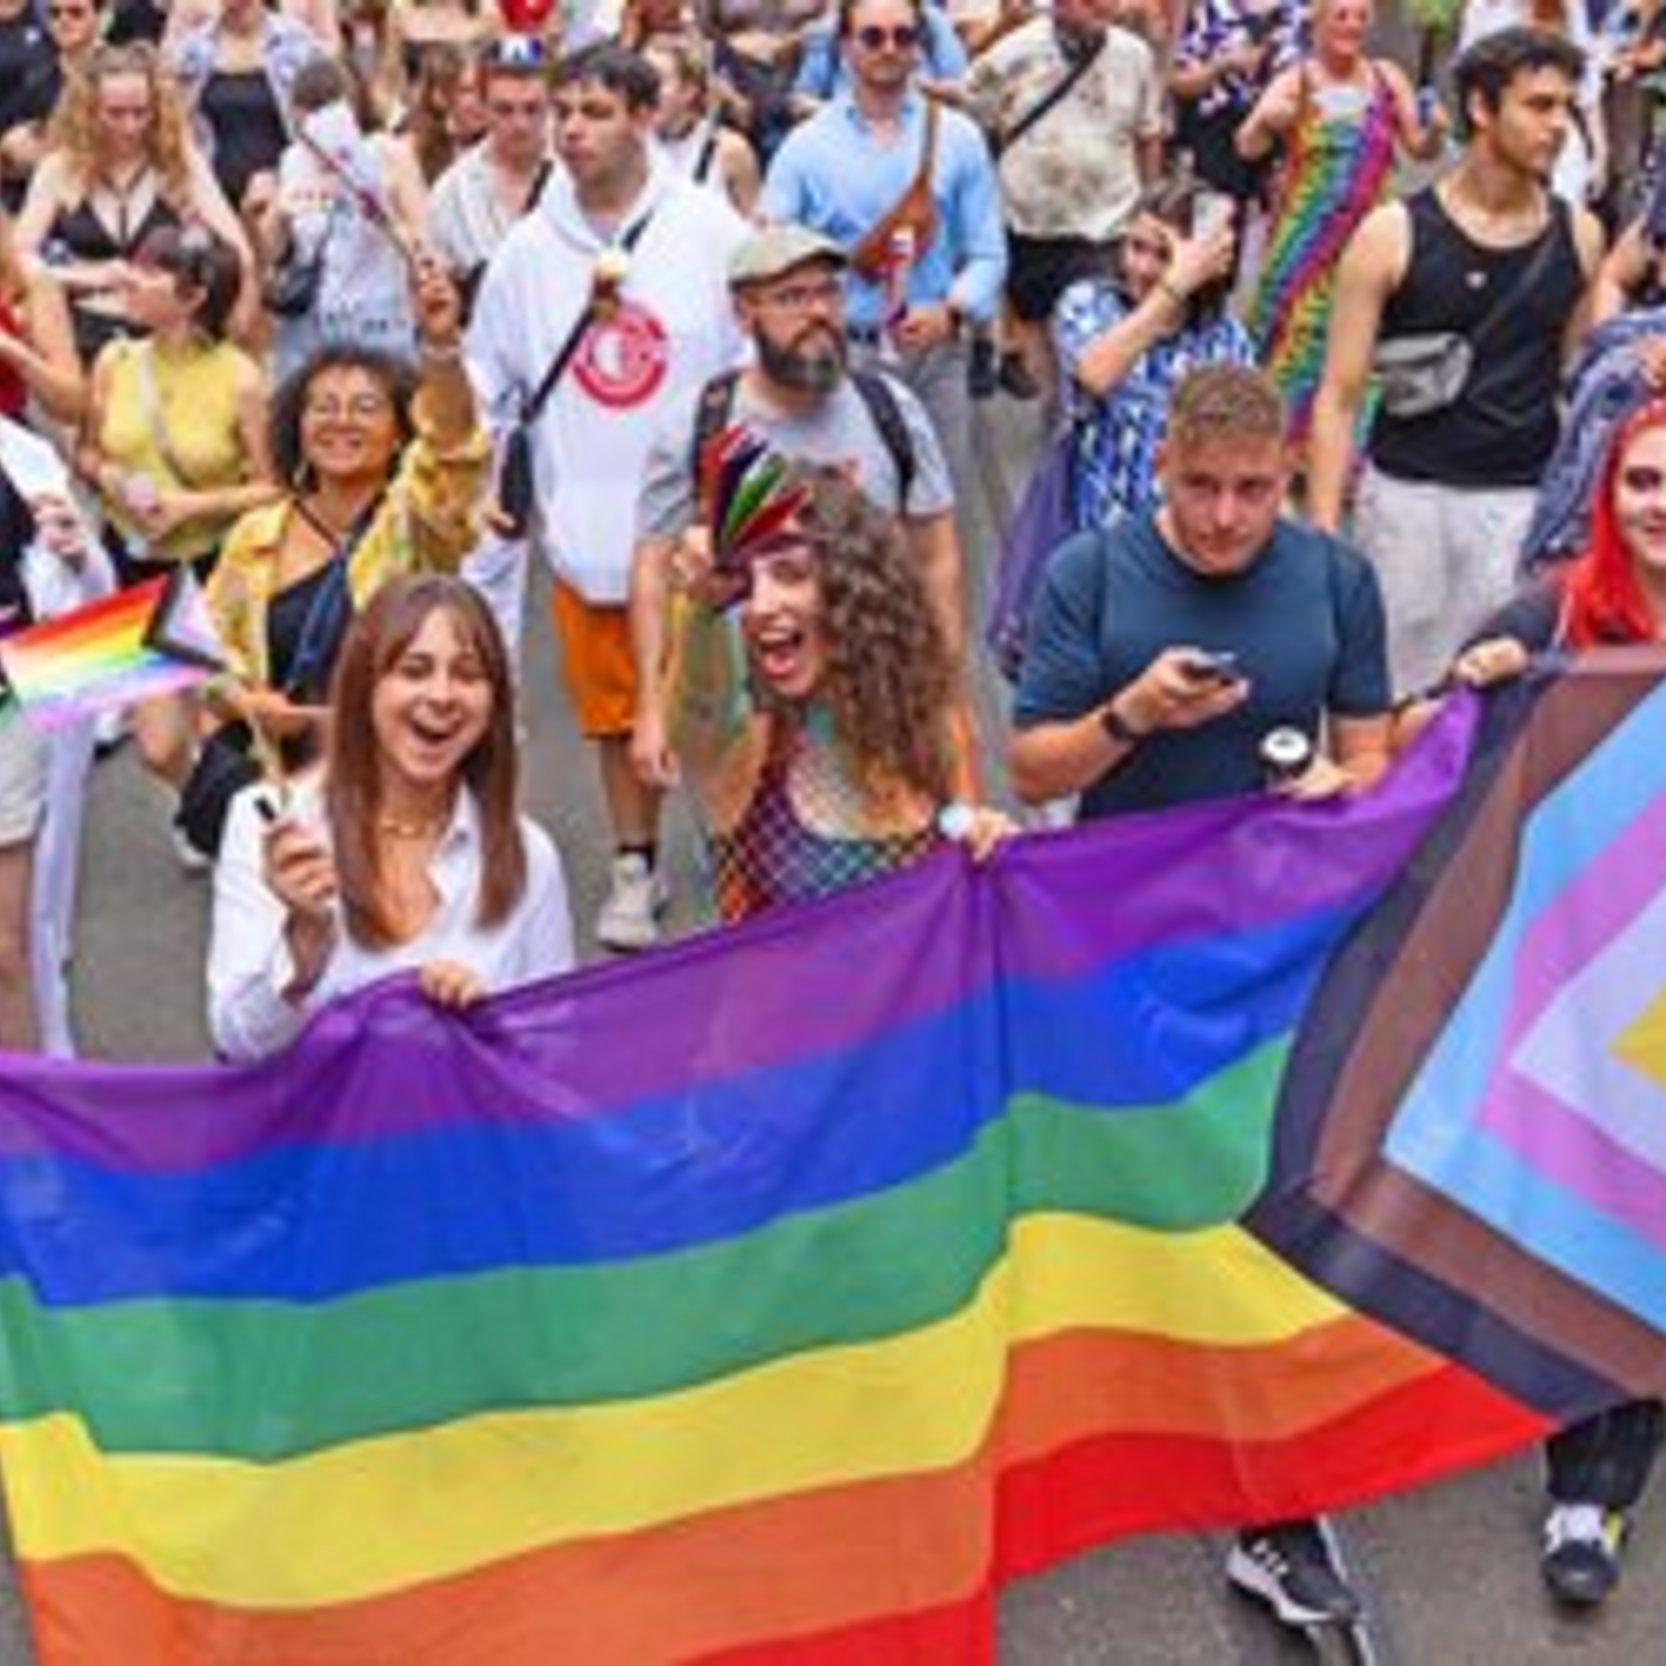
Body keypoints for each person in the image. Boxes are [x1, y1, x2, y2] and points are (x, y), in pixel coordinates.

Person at [1008, 364, 1392, 1627]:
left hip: (1285, 946)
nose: (1226, 519)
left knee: (1270, 1191)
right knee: (1170, 1203)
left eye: (1251, 493)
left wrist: (1344, 788)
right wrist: (1131, 711)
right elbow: (1032, 764)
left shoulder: (1332, 577)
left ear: (1285, 476)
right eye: (1201, 491)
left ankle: (1267, 1495)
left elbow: (1371, 751)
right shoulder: (1092, 575)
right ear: (1161, 471)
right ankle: (1167, 1428)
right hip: (1130, 949)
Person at [1403, 399, 1666, 1612]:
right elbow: (1424, 744)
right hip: (1580, 993)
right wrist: (1479, 683)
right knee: (1599, 1221)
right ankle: (1590, 1483)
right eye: (1641, 480)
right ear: (1605, 492)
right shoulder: (1552, 615)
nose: (1658, 503)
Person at [467, 42, 748, 952]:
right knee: (614, 713)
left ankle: (740, 844)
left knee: (720, 700)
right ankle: (636, 860)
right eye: (565, 113)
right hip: (588, 525)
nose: (573, 132)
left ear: (643, 116)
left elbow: (752, 367)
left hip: (701, 533)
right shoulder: (526, 252)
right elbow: (489, 379)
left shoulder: (710, 231)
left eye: (594, 112)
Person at [1308, 26, 1603, 695]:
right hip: (1408, 501)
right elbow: (1339, 395)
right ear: (1481, 108)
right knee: (1394, 697)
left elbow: (1575, 384)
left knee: (1500, 714)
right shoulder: (1392, 235)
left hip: (1519, 506)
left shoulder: (1580, 236)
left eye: (1565, 107)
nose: (1558, 126)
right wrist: (1323, 539)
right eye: (1538, 105)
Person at [631, 222, 968, 794]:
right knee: (758, 877)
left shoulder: (891, 410)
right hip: (748, 721)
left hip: (878, 700)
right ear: (745, 315)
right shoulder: (699, 423)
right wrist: (652, 705)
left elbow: (936, 558)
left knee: (894, 865)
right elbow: (651, 571)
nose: (818, 312)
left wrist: (944, 690)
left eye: (829, 292)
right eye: (792, 297)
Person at [207, 572, 574, 1062]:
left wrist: (486, 1026)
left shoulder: (531, 857)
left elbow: (554, 1052)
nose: (441, 696)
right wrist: (304, 946)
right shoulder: (269, 825)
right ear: (365, 685)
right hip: (321, 1135)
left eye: (467, 674)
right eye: (415, 670)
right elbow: (240, 1043)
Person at [198, 256, 489, 856]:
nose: (340, 422)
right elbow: (207, 656)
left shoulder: (414, 521)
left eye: (364, 408)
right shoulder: (256, 537)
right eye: (323, 407)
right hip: (286, 804)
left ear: (400, 433)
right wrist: (249, 703)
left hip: (405, 788)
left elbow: (456, 446)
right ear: (297, 425)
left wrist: (439, 346)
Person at [662, 463, 1005, 924]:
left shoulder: (934, 718)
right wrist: (699, 607)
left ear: (851, 592)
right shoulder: (749, 741)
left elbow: (967, 864)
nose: (761, 605)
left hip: (919, 993)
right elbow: (691, 731)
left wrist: (988, 840)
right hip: (785, 995)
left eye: (790, 573)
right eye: (746, 581)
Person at [761, 0, 1006, 490]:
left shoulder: (959, 139)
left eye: (903, 36)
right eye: (872, 37)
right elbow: (772, 253)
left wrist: (952, 310)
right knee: (850, 519)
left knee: (938, 509)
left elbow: (988, 254)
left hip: (935, 361)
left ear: (920, 46)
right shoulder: (806, 146)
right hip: (842, 355)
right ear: (846, 47)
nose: (889, 48)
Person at [76, 226, 275, 809]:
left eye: (151, 271)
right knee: (159, 748)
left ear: (192, 298)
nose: (131, 279)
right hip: (135, 563)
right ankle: (205, 809)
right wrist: (109, 477)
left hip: (215, 567)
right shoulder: (115, 359)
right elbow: (87, 454)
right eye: (135, 264)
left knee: (229, 728)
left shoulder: (239, 377)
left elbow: (272, 488)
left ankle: (243, 830)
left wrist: (191, 506)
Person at [1237, 0, 1443, 451]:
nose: (1351, 26)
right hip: (1304, 241)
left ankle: (1340, 455)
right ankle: (1276, 447)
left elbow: (1418, 149)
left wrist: (1437, 133)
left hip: (1368, 239)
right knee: (1294, 336)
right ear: (1318, 21)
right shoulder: (1297, 80)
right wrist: (1266, 121)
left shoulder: (1388, 78)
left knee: (1360, 338)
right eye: (1341, 16)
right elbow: (1247, 146)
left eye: (1360, 17)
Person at [964, 0, 1164, 398]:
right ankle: (1053, 431)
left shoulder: (1134, 56)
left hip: (1105, 222)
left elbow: (1148, 132)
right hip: (1031, 222)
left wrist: (1151, 205)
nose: (1100, 9)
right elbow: (973, 115)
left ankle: (1083, 419)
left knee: (1093, 335)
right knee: (1040, 335)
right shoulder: (1015, 51)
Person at [15, 41, 257, 365]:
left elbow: (239, 252)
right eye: (114, 114)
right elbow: (17, 259)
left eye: (140, 113)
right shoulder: (60, 169)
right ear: (88, 111)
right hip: (82, 333)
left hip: (165, 336)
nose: (129, 127)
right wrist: (83, 276)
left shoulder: (179, 164)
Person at [1051, 179, 1252, 530]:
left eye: (1163, 255)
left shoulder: (1226, 341)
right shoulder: (1088, 304)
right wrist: (1173, 286)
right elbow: (1097, 374)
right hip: (1100, 536)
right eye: (1135, 247)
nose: (1142, 268)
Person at [0, 485, 98, 1054]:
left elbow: (72, 582)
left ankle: (28, 1124)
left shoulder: (17, 460)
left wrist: (77, 557)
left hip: (9, 716)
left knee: (6, 950)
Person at [259, 56, 429, 379]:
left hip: (377, 321)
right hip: (309, 323)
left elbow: (424, 248)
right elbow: (270, 255)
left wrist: (381, 211)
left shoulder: (389, 155)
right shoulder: (293, 160)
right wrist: (278, 214)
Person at [428, 34, 555, 313]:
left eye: (532, 109)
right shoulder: (451, 193)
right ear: (483, 108)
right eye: (504, 110)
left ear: (552, 105)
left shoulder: (581, 175)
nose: (520, 124)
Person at [168, 0, 325, 212]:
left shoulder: (298, 42)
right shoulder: (192, 50)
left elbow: (321, 122)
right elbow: (177, 125)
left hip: (288, 191)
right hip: (213, 191)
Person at [1460, 0, 1607, 204]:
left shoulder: (1571, 8)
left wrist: (1599, 150)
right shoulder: (1486, 8)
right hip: (1499, 137)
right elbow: (1468, 78)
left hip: (1562, 152)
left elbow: (1588, 87)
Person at [644, 32, 760, 216]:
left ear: (689, 90)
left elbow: (755, 228)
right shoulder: (631, 145)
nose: (645, 91)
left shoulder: (730, 151)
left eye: (658, 81)